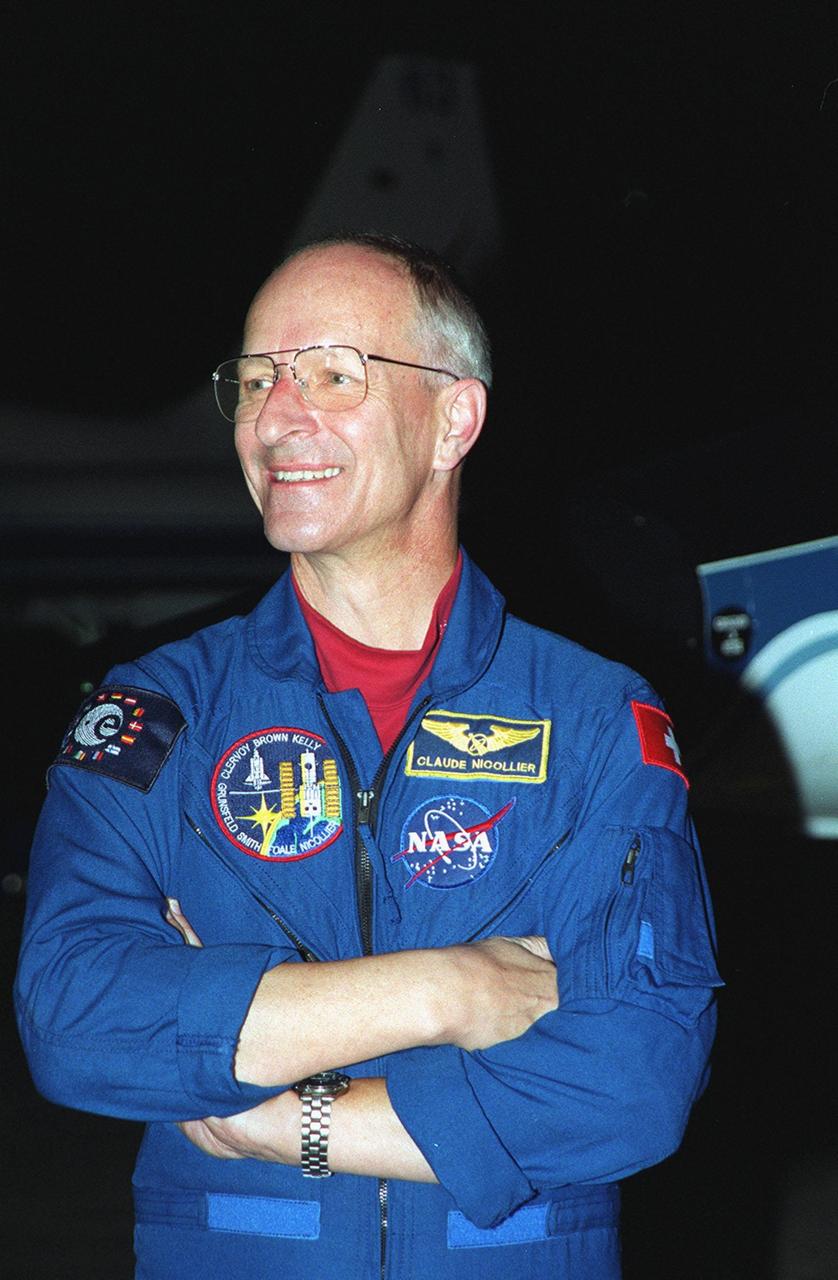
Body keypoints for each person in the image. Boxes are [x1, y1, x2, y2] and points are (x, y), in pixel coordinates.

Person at [15, 233, 722, 1279]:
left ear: (452, 418)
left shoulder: (590, 715)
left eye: (333, 373)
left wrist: (273, 1115)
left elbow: (634, 1078)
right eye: (255, 379)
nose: (273, 415)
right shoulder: (157, 713)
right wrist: (443, 987)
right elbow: (73, 1012)